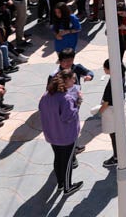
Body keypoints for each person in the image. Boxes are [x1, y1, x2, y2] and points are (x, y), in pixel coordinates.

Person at [38, 69, 83, 197]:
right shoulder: (66, 98)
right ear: (65, 81)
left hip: (52, 134)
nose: (74, 81)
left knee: (58, 159)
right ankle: (68, 187)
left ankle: (60, 184)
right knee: (68, 162)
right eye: (72, 79)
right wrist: (78, 102)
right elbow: (68, 117)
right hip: (66, 136)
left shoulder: (46, 95)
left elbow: (41, 109)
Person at [97, 59, 121, 168]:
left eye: (105, 68)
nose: (104, 70)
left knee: (114, 134)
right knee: (121, 134)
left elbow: (106, 101)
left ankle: (117, 157)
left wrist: (99, 111)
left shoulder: (112, 82)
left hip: (112, 111)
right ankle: (122, 153)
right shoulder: (120, 76)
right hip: (119, 109)